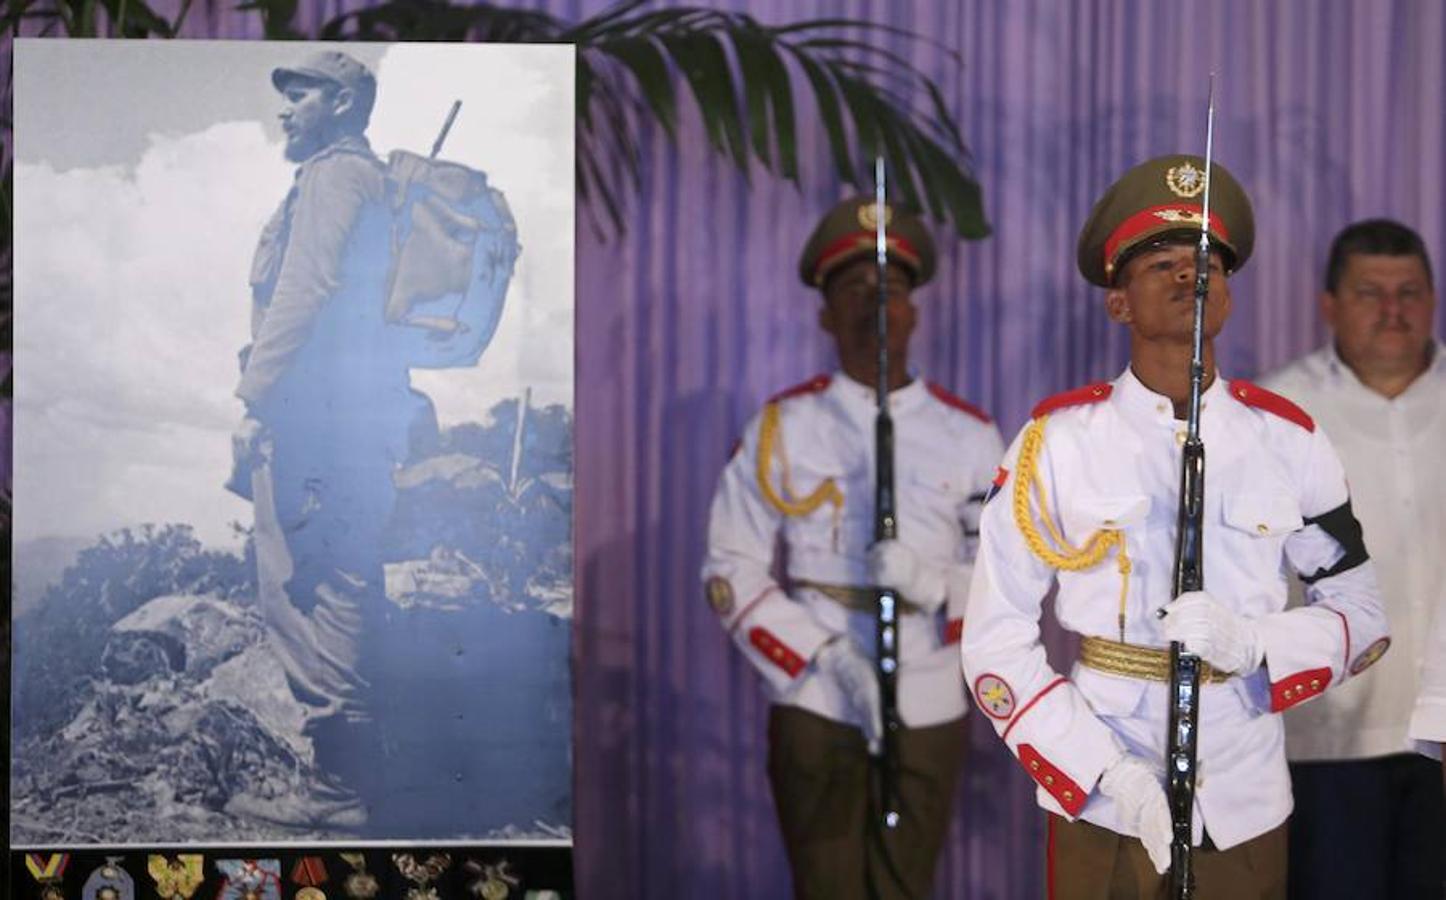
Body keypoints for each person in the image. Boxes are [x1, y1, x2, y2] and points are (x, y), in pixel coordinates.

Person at [959, 155, 1390, 899]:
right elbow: (994, 639)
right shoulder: (1057, 443)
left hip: (1243, 793)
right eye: (1161, 263)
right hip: (1105, 791)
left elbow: (1363, 617)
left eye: (1207, 265)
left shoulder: (1287, 440)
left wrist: (1259, 644)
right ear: (1118, 302)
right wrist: (1104, 771)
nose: (1191, 277)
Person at [701, 196, 1004, 899]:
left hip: (929, 687)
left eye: (891, 291)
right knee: (827, 885)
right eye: (855, 291)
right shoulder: (786, 425)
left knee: (905, 885)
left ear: (915, 312)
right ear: (824, 314)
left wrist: (934, 587)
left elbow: (1003, 579)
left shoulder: (969, 433)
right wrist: (826, 657)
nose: (875, 306)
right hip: (817, 695)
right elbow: (730, 567)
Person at [228, 50, 430, 830]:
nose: (285, 109)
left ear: (342, 103)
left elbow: (304, 289)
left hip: (316, 426)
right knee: (338, 586)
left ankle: (338, 788)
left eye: (300, 93)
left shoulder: (335, 177)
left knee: (303, 594)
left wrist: (254, 399)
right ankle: (349, 783)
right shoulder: (356, 179)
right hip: (349, 424)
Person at [1259, 218, 1444, 898]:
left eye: (1410, 292)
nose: (1393, 311)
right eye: (1370, 292)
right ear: (1329, 304)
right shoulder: (1278, 412)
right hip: (1327, 736)